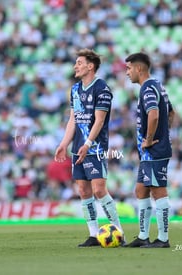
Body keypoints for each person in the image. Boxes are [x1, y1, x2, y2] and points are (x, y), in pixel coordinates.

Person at [54, 48, 124, 247]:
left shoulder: (102, 89)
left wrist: (88, 143)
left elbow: (99, 121)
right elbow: (73, 120)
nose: (75, 66)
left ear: (90, 66)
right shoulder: (75, 89)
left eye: (79, 63)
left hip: (95, 147)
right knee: (84, 191)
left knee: (99, 190)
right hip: (78, 147)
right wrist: (64, 144)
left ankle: (118, 231)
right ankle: (93, 234)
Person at [124, 52, 175, 248]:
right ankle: (143, 236)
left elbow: (153, 115)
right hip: (151, 151)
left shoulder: (147, 88)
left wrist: (151, 139)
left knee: (158, 191)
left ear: (139, 68)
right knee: (141, 190)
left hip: (154, 150)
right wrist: (164, 132)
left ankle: (163, 239)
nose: (127, 73)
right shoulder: (158, 85)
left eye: (129, 69)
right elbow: (171, 112)